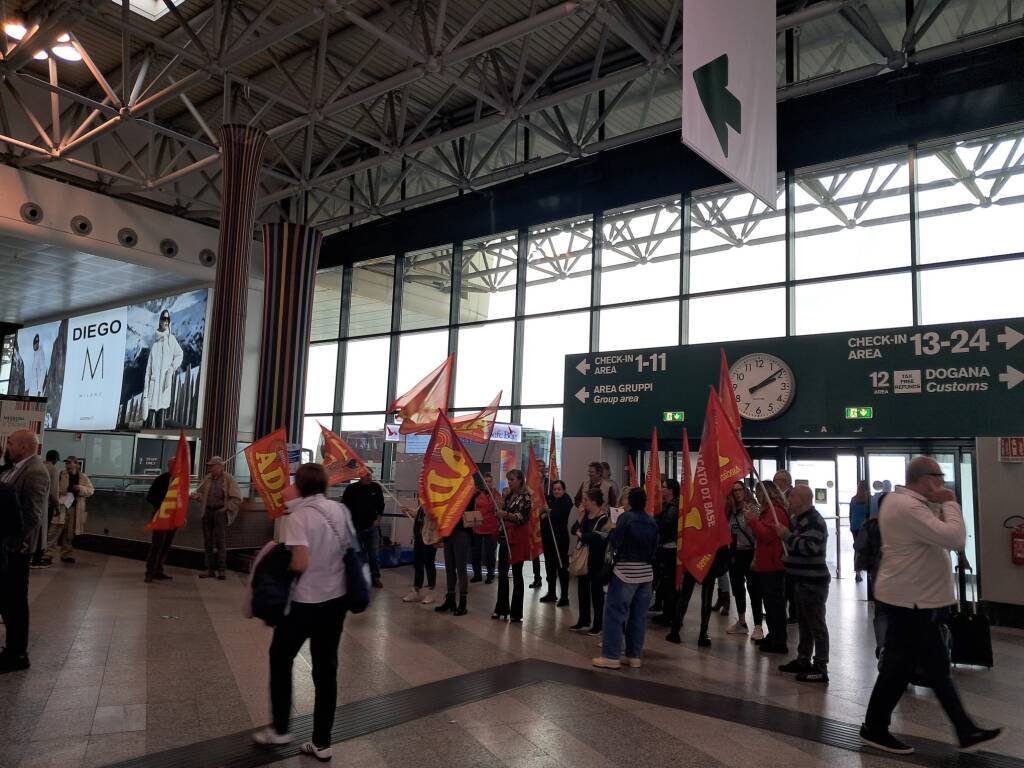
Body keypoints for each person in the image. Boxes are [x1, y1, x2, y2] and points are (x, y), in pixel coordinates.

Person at [860, 457, 1002, 755]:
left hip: (913, 599)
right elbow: (954, 536)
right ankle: (875, 727)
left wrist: (938, 504)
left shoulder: (902, 502)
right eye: (939, 476)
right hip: (911, 602)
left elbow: (937, 536)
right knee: (904, 668)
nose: (943, 482)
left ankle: (965, 730)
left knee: (926, 668)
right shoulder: (908, 507)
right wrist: (950, 502)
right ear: (926, 479)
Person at [253, 464, 352, 762]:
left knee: (280, 659)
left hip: (303, 604)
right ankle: (322, 742)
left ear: (300, 485)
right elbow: (347, 550)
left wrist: (275, 562)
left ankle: (281, 728)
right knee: (326, 670)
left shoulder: (299, 517)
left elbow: (300, 561)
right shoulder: (339, 511)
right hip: (335, 602)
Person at [593, 488, 659, 670]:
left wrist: (612, 531)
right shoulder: (651, 521)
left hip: (625, 571)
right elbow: (655, 548)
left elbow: (616, 541)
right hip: (646, 573)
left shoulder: (626, 518)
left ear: (630, 500)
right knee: (638, 617)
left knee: (615, 614)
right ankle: (634, 656)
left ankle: (611, 656)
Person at [1, 430, 49, 673]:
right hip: (9, 546)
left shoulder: (35, 472)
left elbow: (32, 516)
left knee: (15, 602)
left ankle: (17, 653)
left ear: (22, 446)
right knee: (7, 600)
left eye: (10, 443)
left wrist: (11, 542)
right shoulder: (16, 467)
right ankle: (11, 648)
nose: (7, 447)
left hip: (17, 549)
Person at [777, 485, 831, 683]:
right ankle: (803, 659)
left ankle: (820, 666)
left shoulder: (814, 521)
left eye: (792, 495)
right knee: (804, 624)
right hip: (800, 580)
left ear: (802, 499)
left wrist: (786, 536)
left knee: (816, 624)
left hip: (813, 582)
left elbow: (809, 547)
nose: (789, 498)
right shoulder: (798, 520)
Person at [747, 480, 789, 654]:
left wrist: (752, 522)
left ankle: (779, 641)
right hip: (767, 564)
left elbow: (767, 535)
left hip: (773, 565)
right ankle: (774, 636)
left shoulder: (775, 512)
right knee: (770, 604)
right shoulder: (768, 513)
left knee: (775, 605)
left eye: (758, 492)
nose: (756, 495)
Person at [191, 456, 242, 580]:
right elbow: (201, 493)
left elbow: (237, 498)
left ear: (220, 467)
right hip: (207, 512)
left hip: (220, 513)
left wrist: (225, 508)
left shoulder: (228, 479)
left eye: (212, 466)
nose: (210, 468)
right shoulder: (208, 478)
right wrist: (197, 496)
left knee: (220, 542)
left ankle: (221, 570)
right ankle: (209, 569)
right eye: (209, 466)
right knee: (208, 542)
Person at [569, 488, 609, 636]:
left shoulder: (603, 518)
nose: (583, 502)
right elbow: (574, 529)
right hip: (584, 558)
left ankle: (598, 624)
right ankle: (583, 619)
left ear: (593, 501)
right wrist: (580, 516)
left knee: (597, 592)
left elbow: (596, 537)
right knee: (582, 589)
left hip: (596, 558)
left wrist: (582, 534)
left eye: (585, 500)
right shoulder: (585, 515)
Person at [493, 469, 532, 623]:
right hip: (505, 538)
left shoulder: (526, 497)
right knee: (502, 574)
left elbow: (522, 517)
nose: (510, 482)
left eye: (513, 479)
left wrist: (506, 515)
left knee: (516, 574)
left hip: (517, 539)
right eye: (509, 480)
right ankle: (501, 608)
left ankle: (516, 612)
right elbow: (503, 513)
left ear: (520, 480)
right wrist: (500, 511)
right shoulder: (509, 496)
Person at [726, 481, 761, 637]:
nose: (737, 493)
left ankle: (758, 625)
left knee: (754, 590)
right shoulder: (730, 511)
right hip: (735, 553)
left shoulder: (752, 508)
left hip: (750, 552)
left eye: (740, 490)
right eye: (734, 491)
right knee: (738, 588)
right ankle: (741, 621)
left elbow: (757, 532)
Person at [341, 470, 385, 588]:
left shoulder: (376, 488)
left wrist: (378, 520)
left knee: (373, 555)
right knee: (357, 554)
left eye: (370, 475)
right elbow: (344, 506)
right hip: (355, 528)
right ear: (360, 476)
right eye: (367, 475)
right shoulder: (351, 489)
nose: (369, 477)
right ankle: (357, 577)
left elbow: (381, 505)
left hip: (372, 527)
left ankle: (375, 577)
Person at [46, 456, 94, 564]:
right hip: (61, 506)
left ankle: (66, 554)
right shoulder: (60, 475)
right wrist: (60, 493)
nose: (67, 465)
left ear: (76, 464)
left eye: (70, 463)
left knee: (69, 534)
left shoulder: (83, 477)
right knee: (54, 531)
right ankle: (47, 555)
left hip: (74, 508)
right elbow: (53, 488)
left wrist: (80, 488)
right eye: (66, 463)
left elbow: (91, 490)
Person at [142, 309, 184, 429]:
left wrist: (171, 368)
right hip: (152, 389)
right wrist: (145, 395)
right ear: (160, 320)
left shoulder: (171, 340)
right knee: (148, 424)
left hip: (164, 388)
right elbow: (148, 371)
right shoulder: (155, 344)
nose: (166, 321)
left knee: (160, 424)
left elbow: (180, 354)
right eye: (163, 318)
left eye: (168, 319)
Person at [434, 495, 474, 616]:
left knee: (461, 568)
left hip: (461, 531)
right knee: (449, 568)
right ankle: (450, 598)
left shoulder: (467, 490)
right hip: (449, 532)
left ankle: (463, 602)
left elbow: (463, 508)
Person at [651, 479, 680, 626]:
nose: (661, 490)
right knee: (666, 581)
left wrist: (653, 521)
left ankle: (670, 614)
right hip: (666, 547)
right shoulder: (668, 506)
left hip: (670, 548)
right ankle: (667, 612)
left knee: (669, 582)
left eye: (664, 487)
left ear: (671, 490)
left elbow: (665, 525)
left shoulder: (673, 507)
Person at [539, 479, 572, 606]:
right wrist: (544, 513)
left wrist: (549, 512)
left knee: (562, 567)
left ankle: (564, 597)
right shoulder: (549, 499)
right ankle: (551, 593)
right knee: (549, 567)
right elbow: (542, 514)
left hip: (560, 539)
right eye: (554, 489)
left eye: (559, 489)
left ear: (563, 490)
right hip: (548, 538)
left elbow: (560, 515)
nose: (556, 491)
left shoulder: (566, 501)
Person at [144, 460, 175, 583]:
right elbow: (150, 496)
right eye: (173, 464)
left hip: (172, 518)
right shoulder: (161, 479)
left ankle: (159, 570)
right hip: (160, 516)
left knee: (166, 544)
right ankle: (150, 571)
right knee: (157, 544)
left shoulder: (179, 481)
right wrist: (162, 505)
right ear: (169, 466)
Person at [30, 450, 59, 570]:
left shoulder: (38, 466)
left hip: (33, 504)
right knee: (43, 532)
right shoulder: (53, 469)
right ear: (56, 459)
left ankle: (31, 557)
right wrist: (57, 506)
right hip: (46, 506)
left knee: (34, 530)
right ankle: (37, 560)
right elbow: (53, 491)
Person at [470, 473, 498, 584]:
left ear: (492, 482)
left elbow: (500, 507)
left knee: (489, 553)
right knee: (475, 552)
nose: (488, 483)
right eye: (486, 481)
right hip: (477, 527)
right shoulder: (476, 494)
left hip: (491, 527)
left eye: (489, 481)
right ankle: (477, 574)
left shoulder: (496, 494)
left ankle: (490, 574)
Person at [850, 481, 869, 583]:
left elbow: (851, 513)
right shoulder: (867, 500)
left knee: (857, 549)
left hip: (855, 527)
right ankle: (864, 569)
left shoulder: (854, 499)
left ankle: (857, 572)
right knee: (865, 549)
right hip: (864, 527)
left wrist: (851, 526)